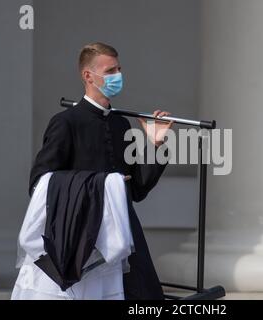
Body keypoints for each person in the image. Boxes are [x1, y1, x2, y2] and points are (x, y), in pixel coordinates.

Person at [27, 42, 174, 299]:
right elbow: (40, 184)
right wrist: (101, 183)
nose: (117, 76)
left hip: (124, 231)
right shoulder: (65, 122)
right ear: (88, 76)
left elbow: (136, 189)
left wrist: (155, 143)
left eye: (119, 69)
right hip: (83, 235)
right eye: (109, 71)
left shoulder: (121, 124)